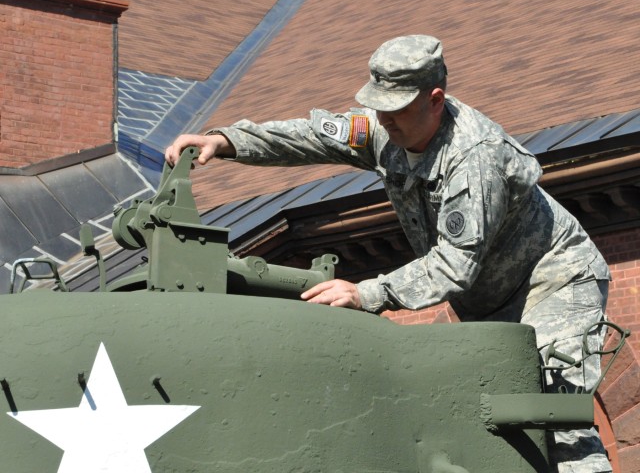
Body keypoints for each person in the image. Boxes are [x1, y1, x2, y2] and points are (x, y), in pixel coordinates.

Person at [166, 35, 611, 472]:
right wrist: (226, 141)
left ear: (435, 99)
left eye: (396, 107)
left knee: (552, 415)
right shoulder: (383, 129)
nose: (384, 118)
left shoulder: (475, 158)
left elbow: (455, 265)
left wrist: (367, 293)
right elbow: (311, 136)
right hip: (490, 300)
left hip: (554, 281)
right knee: (494, 423)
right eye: (378, 104)